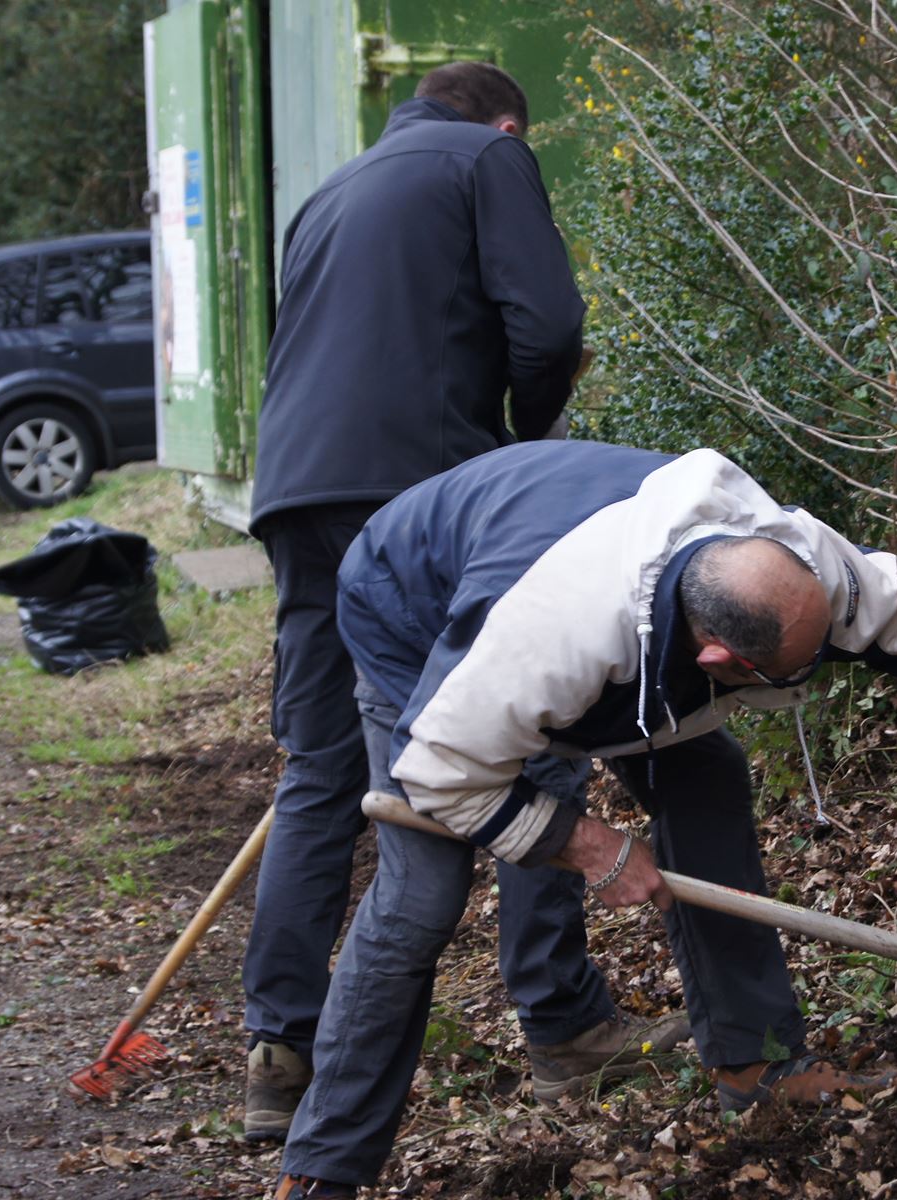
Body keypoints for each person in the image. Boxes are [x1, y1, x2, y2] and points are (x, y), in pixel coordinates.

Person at [271, 440, 897, 1196]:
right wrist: (586, 843)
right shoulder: (552, 634)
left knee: (707, 782)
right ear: (719, 658)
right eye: (788, 674)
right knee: (424, 889)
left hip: (593, 589)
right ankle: (322, 1166)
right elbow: (441, 770)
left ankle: (756, 1066)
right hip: (413, 605)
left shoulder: (793, 563)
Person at [242, 63, 684, 1145]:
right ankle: (564, 1024)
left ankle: (279, 1051)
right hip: (422, 494)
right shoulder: (490, 156)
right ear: (503, 120)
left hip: (296, 492)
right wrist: (522, 456)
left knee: (320, 770)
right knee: (527, 737)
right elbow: (547, 324)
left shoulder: (331, 194)